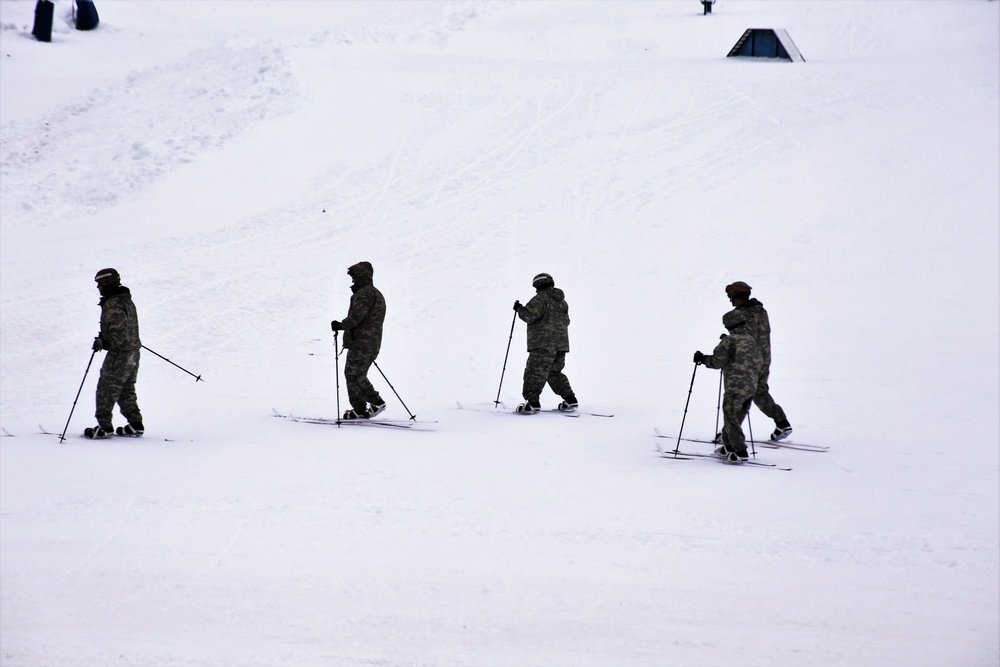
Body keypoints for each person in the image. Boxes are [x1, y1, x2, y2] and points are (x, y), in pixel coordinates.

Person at [724, 281, 793, 441]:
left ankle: (730, 434)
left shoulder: (744, 314)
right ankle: (781, 422)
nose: (730, 301)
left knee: (741, 394)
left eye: (731, 297)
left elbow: (743, 338)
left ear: (738, 296)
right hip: (764, 358)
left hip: (749, 360)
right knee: (758, 391)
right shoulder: (761, 311)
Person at [693, 309, 762, 463]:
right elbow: (760, 362)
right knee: (736, 417)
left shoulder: (729, 341)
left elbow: (717, 361)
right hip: (751, 386)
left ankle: (740, 451)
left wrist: (702, 359)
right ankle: (728, 446)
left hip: (735, 387)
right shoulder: (752, 341)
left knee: (731, 417)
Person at [86, 268, 143, 439]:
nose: (97, 287)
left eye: (99, 283)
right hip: (133, 351)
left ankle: (104, 427)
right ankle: (135, 424)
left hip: (120, 354)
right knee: (125, 389)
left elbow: (118, 333)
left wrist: (104, 342)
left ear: (107, 283)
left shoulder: (114, 303)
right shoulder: (125, 300)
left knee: (106, 388)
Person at [512, 273, 577, 414]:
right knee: (554, 372)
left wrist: (519, 309)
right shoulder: (562, 302)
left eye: (536, 287)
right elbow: (567, 321)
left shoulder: (541, 299)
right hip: (561, 345)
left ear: (539, 286)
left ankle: (531, 403)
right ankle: (570, 399)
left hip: (542, 344)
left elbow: (529, 315)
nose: (535, 290)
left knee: (534, 372)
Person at [330, 261, 387, 420]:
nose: (353, 281)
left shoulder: (364, 294)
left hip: (362, 341)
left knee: (355, 373)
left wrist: (341, 325)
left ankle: (376, 402)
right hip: (369, 342)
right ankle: (359, 410)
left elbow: (357, 317)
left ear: (361, 277)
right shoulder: (375, 293)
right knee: (352, 373)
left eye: (354, 277)